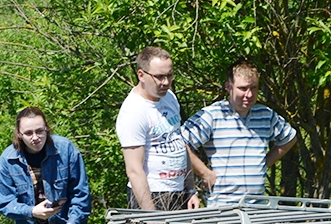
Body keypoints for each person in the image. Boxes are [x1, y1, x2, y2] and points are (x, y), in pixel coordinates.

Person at [182, 59, 297, 204]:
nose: (249, 94)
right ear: (228, 87)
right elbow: (181, 143)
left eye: (254, 88)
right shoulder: (213, 115)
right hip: (222, 208)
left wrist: (264, 164)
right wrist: (205, 173)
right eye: (243, 88)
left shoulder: (266, 115)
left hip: (258, 209)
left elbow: (290, 138)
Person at [0, 106, 91, 224]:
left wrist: (73, 222)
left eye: (39, 131)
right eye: (28, 133)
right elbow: (4, 203)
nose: (35, 137)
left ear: (47, 128)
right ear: (19, 134)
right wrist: (32, 211)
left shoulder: (66, 149)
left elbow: (80, 192)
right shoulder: (8, 160)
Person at [115, 46, 200, 211]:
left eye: (169, 75)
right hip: (152, 194)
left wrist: (190, 189)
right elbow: (134, 170)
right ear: (141, 75)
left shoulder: (169, 98)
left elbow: (179, 143)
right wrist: (151, 216)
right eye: (160, 77)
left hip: (179, 191)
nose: (166, 82)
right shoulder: (134, 111)